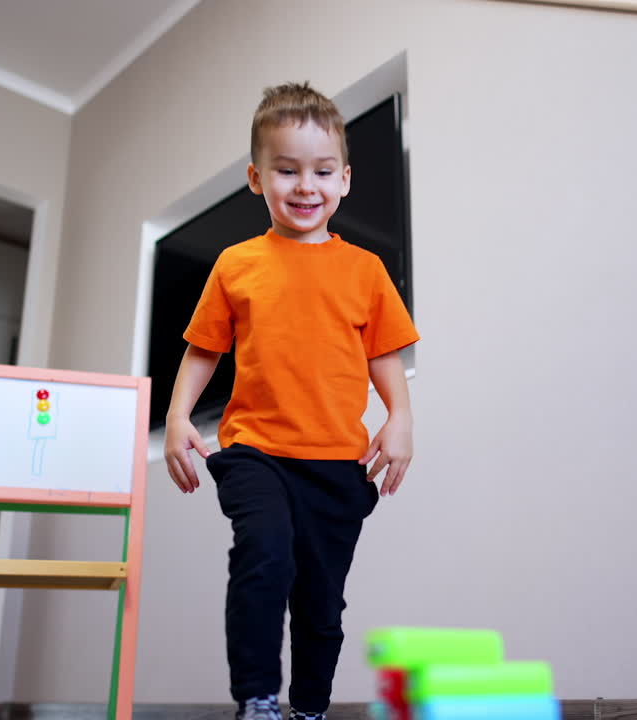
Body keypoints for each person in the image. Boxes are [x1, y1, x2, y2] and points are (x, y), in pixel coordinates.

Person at [163, 82, 418, 720]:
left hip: (337, 464)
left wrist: (401, 419)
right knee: (264, 556)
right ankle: (257, 698)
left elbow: (384, 355)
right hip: (256, 453)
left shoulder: (365, 271)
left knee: (321, 603)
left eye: (322, 171)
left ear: (345, 180)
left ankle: (308, 709)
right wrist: (174, 418)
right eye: (287, 170)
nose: (306, 186)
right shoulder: (236, 265)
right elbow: (202, 352)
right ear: (257, 177)